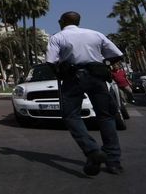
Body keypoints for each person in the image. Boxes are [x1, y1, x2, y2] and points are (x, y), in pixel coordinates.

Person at [46, 11, 124, 176]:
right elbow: (117, 54)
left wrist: (60, 73)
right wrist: (103, 64)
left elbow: (51, 61)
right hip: (97, 77)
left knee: (71, 116)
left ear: (63, 21)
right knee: (106, 116)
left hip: (73, 78)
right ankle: (114, 161)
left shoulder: (58, 37)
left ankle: (92, 150)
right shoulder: (95, 34)